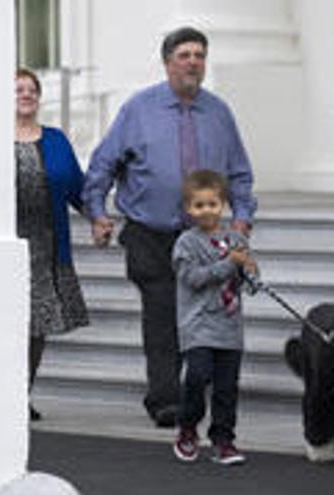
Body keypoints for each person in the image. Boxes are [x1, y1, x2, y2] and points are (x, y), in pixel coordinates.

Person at [82, 27, 257, 427]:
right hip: (150, 234)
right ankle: (165, 399)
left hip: (206, 238)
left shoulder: (219, 113)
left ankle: (197, 393)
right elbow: (103, 163)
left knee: (205, 317)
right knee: (163, 317)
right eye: (184, 54)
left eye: (199, 55)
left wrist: (243, 219)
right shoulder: (138, 110)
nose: (193, 61)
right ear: (167, 62)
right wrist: (97, 213)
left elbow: (240, 173)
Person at [15, 68, 89, 421]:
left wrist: (98, 218)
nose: (26, 94)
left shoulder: (56, 139)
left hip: (47, 249)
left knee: (37, 327)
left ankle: (20, 394)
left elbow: (78, 187)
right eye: (18, 89)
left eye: (32, 90)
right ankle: (1, 393)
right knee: (8, 327)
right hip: (6, 249)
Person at [170, 170, 257, 465]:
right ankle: (187, 427)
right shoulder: (186, 243)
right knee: (196, 377)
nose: (207, 210)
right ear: (188, 209)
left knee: (226, 388)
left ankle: (223, 440)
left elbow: (243, 281)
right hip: (198, 326)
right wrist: (228, 264)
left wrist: (250, 272)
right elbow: (193, 278)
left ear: (223, 205)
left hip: (230, 327)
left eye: (213, 204)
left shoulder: (236, 239)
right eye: (199, 205)